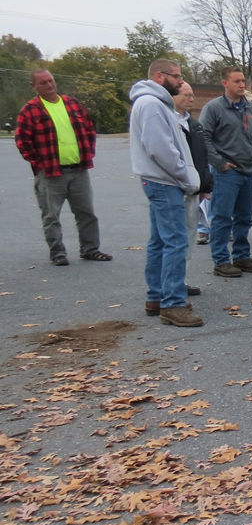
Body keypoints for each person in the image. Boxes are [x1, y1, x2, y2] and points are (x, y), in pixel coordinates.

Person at [128, 60, 203, 327]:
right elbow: (160, 150)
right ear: (160, 76)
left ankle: (156, 296)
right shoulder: (151, 105)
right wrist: (187, 177)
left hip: (161, 181)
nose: (181, 82)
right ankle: (173, 303)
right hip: (164, 182)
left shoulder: (157, 104)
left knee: (160, 240)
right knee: (175, 241)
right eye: (177, 76)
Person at [14, 70, 112, 265]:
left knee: (86, 213)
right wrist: (38, 162)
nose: (49, 85)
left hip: (78, 170)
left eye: (51, 80)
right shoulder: (30, 110)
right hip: (50, 172)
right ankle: (58, 253)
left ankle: (90, 249)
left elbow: (89, 129)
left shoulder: (72, 103)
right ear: (33, 86)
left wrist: (88, 152)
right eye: (43, 83)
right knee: (51, 216)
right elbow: (22, 140)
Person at [200, 67, 252, 277]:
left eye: (243, 81)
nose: (242, 85)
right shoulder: (214, 108)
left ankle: (242, 256)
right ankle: (221, 260)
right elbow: (204, 138)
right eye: (237, 81)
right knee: (222, 217)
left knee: (244, 217)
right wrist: (220, 163)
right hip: (226, 172)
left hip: (248, 170)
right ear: (225, 83)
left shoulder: (250, 108)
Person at [173, 81, 211, 306]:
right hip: (174, 187)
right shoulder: (169, 122)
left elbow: (201, 157)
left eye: (192, 95)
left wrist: (206, 186)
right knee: (172, 237)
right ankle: (168, 284)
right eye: (186, 95)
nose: (191, 99)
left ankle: (182, 279)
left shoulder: (194, 125)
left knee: (188, 235)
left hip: (195, 189)